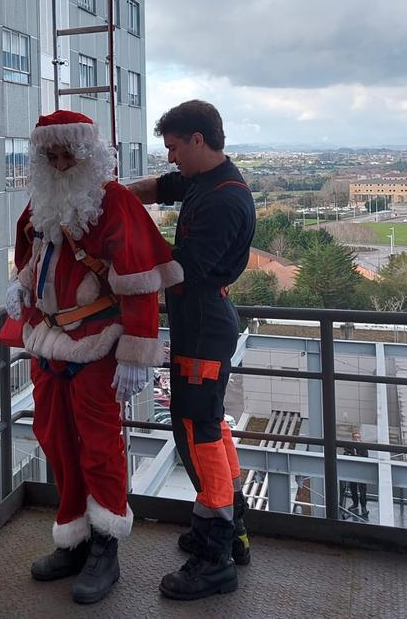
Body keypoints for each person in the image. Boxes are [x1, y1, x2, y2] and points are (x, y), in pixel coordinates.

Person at [0, 110, 179, 604]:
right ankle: (73, 536)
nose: (59, 165)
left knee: (99, 447)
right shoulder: (41, 203)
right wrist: (18, 289)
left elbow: (141, 283)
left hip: (98, 346)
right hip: (46, 342)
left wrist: (136, 354)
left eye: (68, 154)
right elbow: (33, 259)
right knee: (55, 440)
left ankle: (105, 549)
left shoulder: (115, 203)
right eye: (50, 156)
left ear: (88, 154)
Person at [127, 100, 255, 601]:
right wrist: (110, 196)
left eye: (175, 147)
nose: (171, 157)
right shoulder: (207, 179)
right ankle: (230, 527)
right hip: (203, 323)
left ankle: (214, 555)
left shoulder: (225, 198)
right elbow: (159, 188)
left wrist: (117, 267)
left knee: (195, 432)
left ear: (198, 140)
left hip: (203, 328)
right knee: (211, 426)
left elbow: (180, 269)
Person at [341, 431, 370, 519]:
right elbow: (345, 454)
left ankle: (363, 507)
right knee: (353, 488)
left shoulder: (364, 448)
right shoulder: (349, 447)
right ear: (352, 438)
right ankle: (355, 504)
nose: (356, 439)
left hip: (361, 472)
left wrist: (356, 455)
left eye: (358, 437)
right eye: (355, 437)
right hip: (352, 472)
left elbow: (365, 457)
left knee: (362, 491)